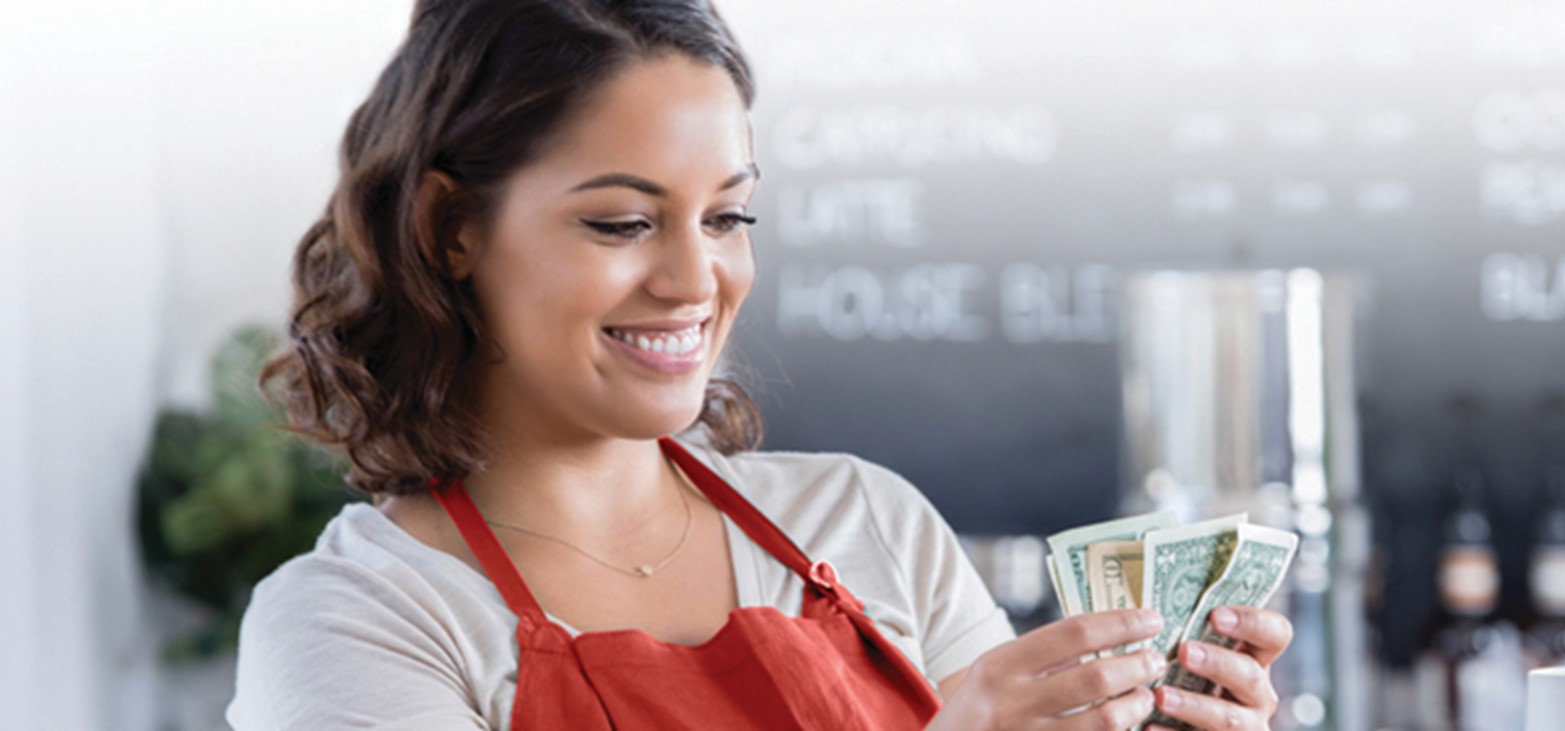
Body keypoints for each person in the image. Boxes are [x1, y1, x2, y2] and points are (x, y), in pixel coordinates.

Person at [228, 1, 1294, 728]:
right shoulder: (357, 619)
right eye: (621, 221)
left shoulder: (867, 521)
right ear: (449, 225)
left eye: (730, 213)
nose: (696, 278)